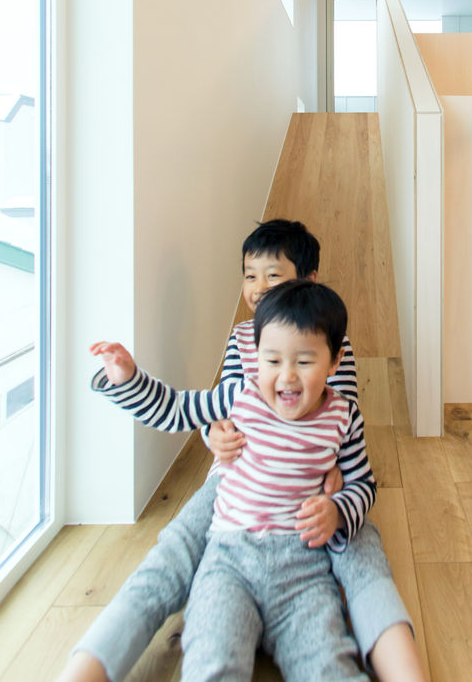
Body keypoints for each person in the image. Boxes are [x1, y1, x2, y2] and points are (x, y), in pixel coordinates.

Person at [58, 219, 425, 682]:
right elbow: (189, 408)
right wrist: (142, 389)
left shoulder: (335, 365)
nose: (259, 287)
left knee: (354, 560)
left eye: (274, 275)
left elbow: (345, 427)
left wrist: (338, 494)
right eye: (250, 275)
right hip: (234, 489)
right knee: (177, 563)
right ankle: (89, 664)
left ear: (308, 282)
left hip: (308, 505)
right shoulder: (244, 353)